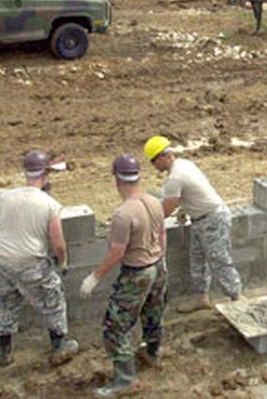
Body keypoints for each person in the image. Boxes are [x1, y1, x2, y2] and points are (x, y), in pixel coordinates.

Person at [0, 150, 78, 367]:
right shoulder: (50, 204)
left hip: (1, 262)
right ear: (46, 175)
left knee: (6, 304)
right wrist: (63, 262)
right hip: (30, 264)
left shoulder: (6, 196)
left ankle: (4, 350)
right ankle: (59, 345)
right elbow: (58, 243)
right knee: (54, 299)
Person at [80, 154, 167, 397]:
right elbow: (162, 235)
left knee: (114, 327)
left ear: (117, 180)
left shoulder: (123, 214)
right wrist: (161, 259)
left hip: (137, 273)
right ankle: (151, 353)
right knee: (153, 314)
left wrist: (94, 278)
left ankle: (125, 380)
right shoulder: (154, 201)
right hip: (158, 266)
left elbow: (117, 251)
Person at [143, 135, 242, 312]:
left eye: (153, 161)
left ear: (164, 157)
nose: (153, 166)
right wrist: (184, 208)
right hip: (200, 220)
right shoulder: (184, 164)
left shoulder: (175, 178)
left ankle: (237, 298)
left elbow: (166, 210)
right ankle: (201, 298)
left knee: (219, 260)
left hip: (212, 220)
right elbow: (190, 193)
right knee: (198, 260)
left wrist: (145, 221)